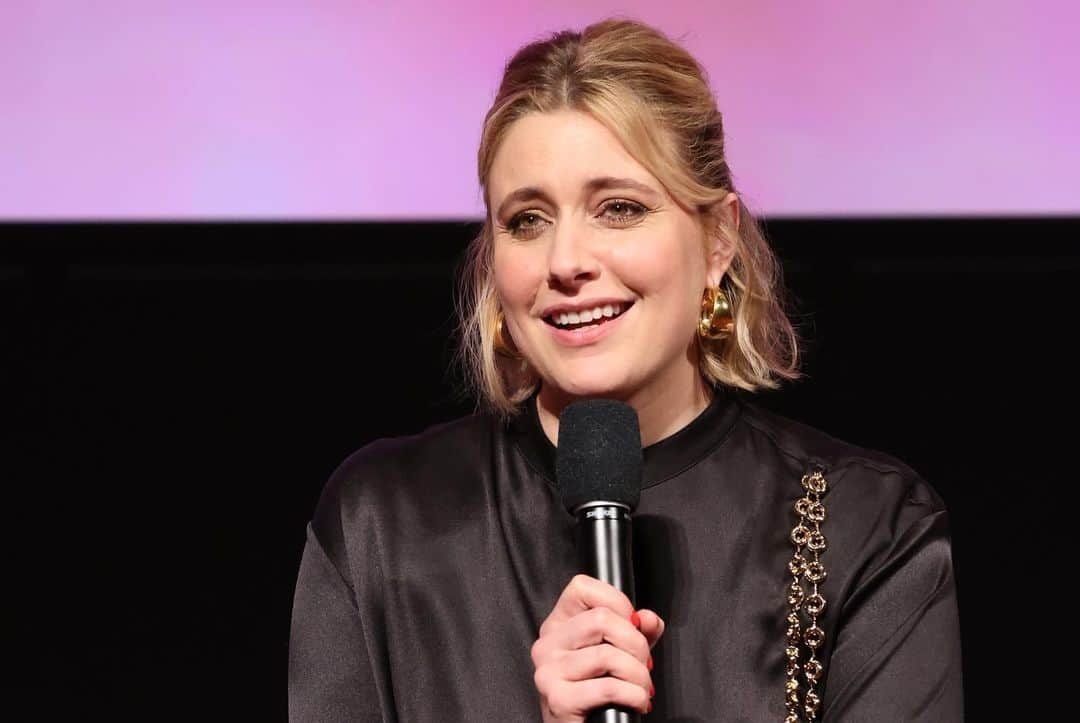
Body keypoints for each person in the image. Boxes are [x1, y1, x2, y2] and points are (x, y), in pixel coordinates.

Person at [288, 18, 963, 722]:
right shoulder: (382, 524)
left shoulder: (865, 525)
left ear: (718, 240)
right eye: (527, 219)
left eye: (619, 209)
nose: (566, 260)